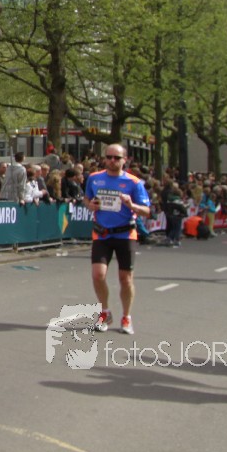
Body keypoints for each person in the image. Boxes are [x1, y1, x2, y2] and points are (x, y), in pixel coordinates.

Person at [84, 143, 150, 335]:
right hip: (102, 233)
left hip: (125, 234)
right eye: (109, 157)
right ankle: (104, 312)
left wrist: (132, 205)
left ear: (124, 160)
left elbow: (147, 211)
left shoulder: (134, 182)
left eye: (117, 158)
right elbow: (87, 199)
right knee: (98, 275)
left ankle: (126, 316)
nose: (112, 161)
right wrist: (91, 205)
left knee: (125, 279)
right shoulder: (94, 178)